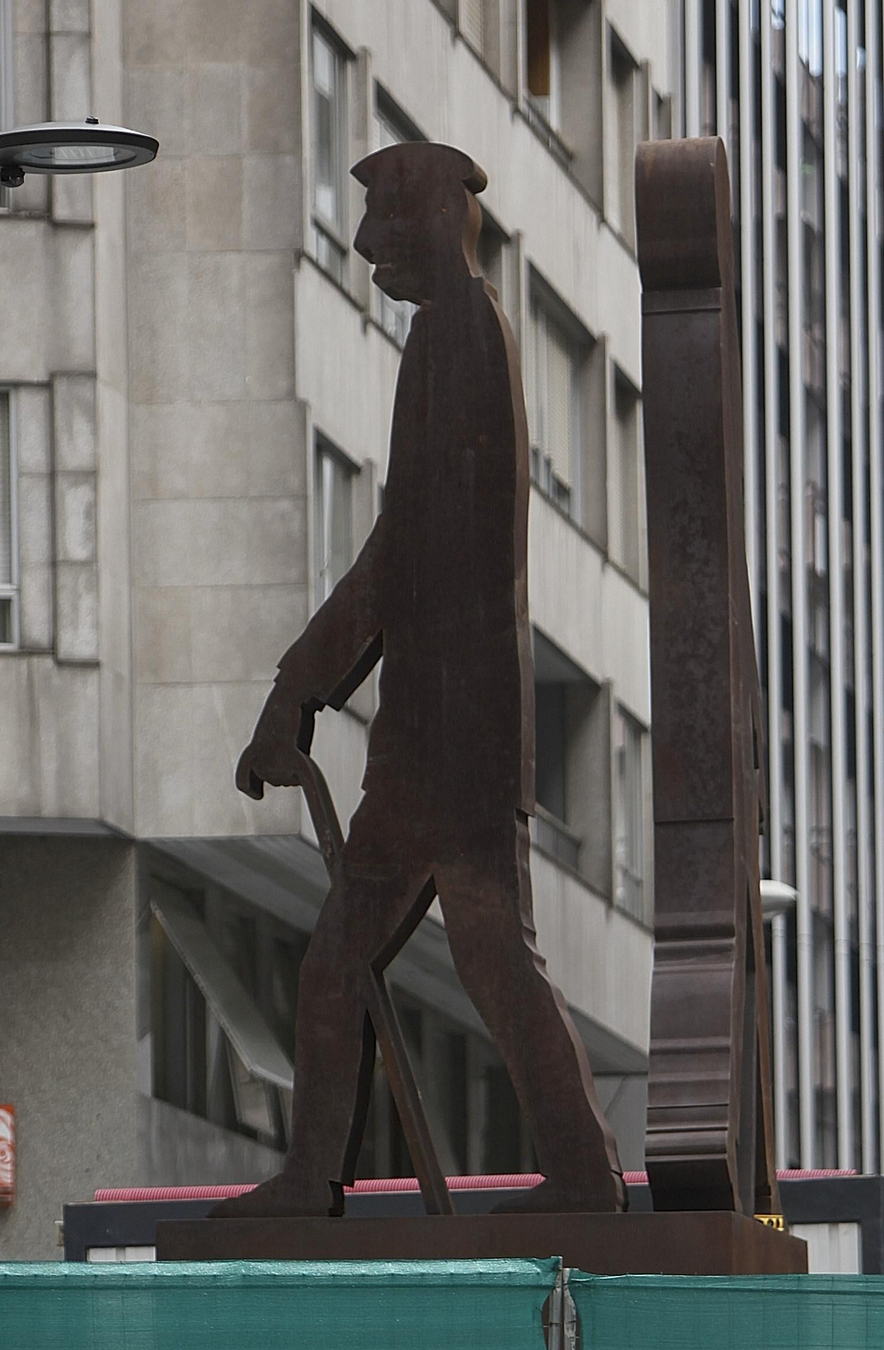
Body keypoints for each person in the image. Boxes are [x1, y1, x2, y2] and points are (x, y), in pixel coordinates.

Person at [218, 141, 625, 1217]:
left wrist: (298, 689)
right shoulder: (456, 337)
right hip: (444, 734)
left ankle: (331, 1179)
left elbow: (402, 550)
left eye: (386, 225)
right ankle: (326, 1177)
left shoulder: (453, 341)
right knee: (396, 962)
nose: (364, 248)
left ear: (441, 217)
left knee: (458, 962)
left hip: (449, 742)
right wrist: (303, 689)